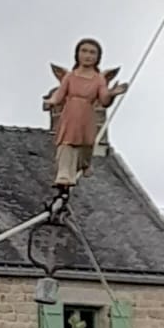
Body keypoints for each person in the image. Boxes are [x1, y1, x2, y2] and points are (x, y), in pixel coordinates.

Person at [44, 38, 128, 214]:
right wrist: (50, 102)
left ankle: (84, 164)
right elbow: (59, 96)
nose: (88, 56)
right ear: (77, 54)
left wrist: (113, 93)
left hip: (86, 115)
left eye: (92, 52)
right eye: (84, 51)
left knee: (84, 145)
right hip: (70, 115)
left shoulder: (98, 80)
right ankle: (63, 187)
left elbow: (104, 100)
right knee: (67, 146)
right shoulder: (70, 77)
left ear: (98, 57)